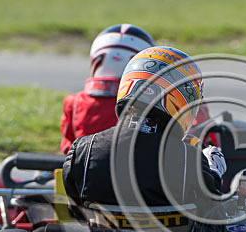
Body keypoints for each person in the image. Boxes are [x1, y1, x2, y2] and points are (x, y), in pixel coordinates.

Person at [62, 46, 226, 211]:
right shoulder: (189, 159)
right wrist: (214, 171)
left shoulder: (83, 150)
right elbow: (211, 213)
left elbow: (76, 213)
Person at [58, 24, 154, 154]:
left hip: (86, 169)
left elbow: (67, 148)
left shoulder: (73, 102)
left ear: (97, 61)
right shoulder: (146, 105)